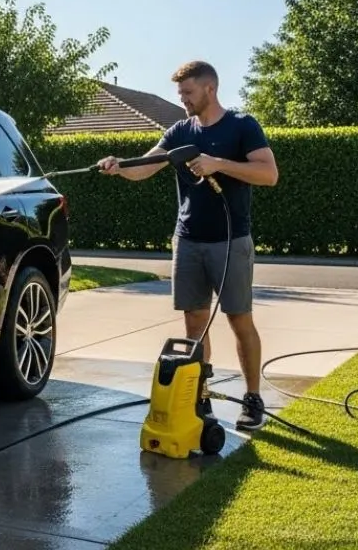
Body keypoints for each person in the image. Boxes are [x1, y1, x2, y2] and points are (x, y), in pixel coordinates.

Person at [97, 60, 279, 431]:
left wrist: (218, 165)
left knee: (239, 319)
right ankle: (201, 398)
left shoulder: (242, 126)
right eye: (180, 93)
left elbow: (268, 174)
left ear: (209, 89)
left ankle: (253, 399)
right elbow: (145, 167)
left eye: (188, 93)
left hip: (231, 240)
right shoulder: (180, 130)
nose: (182, 100)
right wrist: (119, 166)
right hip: (188, 240)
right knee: (194, 324)